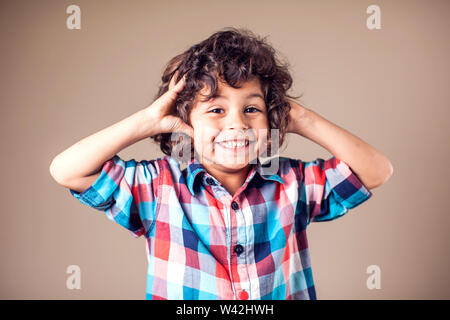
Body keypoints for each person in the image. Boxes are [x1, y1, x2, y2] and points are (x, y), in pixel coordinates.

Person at [49, 28, 393, 300]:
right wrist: (148, 121)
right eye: (216, 109)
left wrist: (300, 117)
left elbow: (377, 170)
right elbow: (67, 170)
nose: (237, 124)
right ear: (183, 120)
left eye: (252, 109)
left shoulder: (291, 182)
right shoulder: (158, 186)